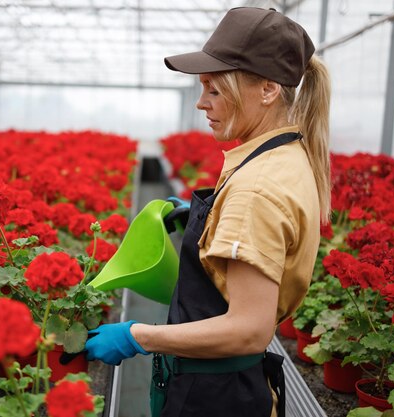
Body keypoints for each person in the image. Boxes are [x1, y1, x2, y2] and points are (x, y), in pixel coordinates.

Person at [84, 7, 331, 417]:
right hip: (231, 387)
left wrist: (137, 335)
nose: (201, 103)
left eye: (215, 90)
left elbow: (248, 331)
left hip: (215, 396)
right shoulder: (284, 154)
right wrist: (210, 218)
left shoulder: (257, 189)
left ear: (268, 90)